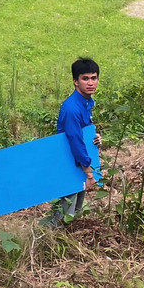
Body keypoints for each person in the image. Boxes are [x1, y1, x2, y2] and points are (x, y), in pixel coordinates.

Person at [47, 57, 102, 227]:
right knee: (64, 214)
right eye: (85, 79)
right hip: (70, 163)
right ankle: (49, 244)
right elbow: (75, 140)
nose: (90, 83)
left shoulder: (85, 102)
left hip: (78, 163)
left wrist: (94, 137)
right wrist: (89, 173)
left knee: (76, 209)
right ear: (75, 82)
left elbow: (83, 133)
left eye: (94, 78)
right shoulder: (72, 108)